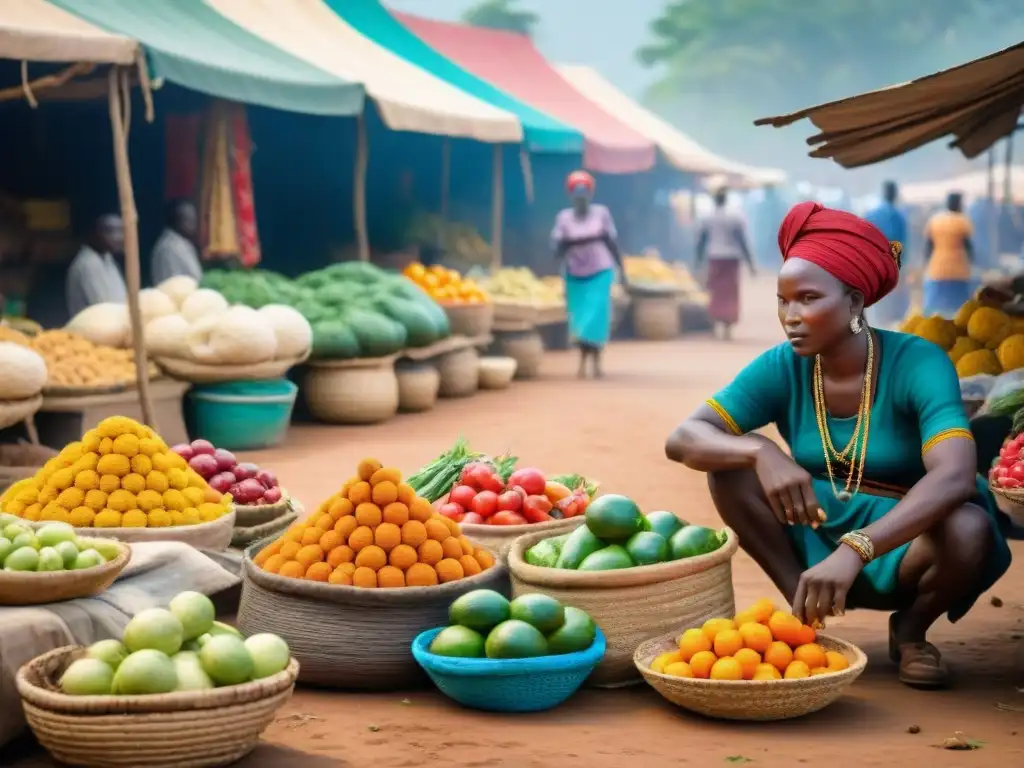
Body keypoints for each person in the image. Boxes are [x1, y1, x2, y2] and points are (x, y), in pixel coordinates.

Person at [665, 201, 1011, 689]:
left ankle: (911, 630)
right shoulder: (782, 365)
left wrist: (856, 549)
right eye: (784, 300)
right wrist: (760, 451)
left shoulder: (919, 362)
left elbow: (954, 475)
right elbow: (683, 437)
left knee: (969, 528)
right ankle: (802, 617)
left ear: (853, 302)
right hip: (817, 521)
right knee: (728, 468)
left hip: (909, 533)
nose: (792, 316)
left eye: (808, 298)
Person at [552, 170, 625, 379]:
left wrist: (622, 271)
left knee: (597, 319)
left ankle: (597, 362)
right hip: (575, 274)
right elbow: (558, 247)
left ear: (591, 195)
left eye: (585, 193)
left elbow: (611, 243)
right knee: (580, 320)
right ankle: (583, 362)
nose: (581, 198)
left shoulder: (601, 214)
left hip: (600, 272)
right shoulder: (564, 218)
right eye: (577, 194)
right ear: (571, 196)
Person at [695, 186, 755, 340]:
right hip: (731, 258)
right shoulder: (735, 216)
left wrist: (698, 260)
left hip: (714, 257)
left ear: (715, 199)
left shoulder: (707, 216)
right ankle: (727, 326)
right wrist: (750, 263)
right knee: (730, 293)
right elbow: (742, 241)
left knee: (715, 291)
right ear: (726, 199)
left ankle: (715, 323)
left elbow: (702, 241)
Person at [864, 181, 909, 327]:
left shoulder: (872, 213)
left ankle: (877, 326)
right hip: (892, 265)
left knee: (877, 300)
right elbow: (902, 244)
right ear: (895, 194)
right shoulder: (899, 216)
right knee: (891, 301)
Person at [922, 192, 974, 318]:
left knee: (932, 308)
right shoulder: (963, 221)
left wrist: (926, 264)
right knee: (960, 309)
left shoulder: (935, 220)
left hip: (937, 269)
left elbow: (928, 247)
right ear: (958, 204)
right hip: (959, 270)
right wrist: (972, 263)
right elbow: (968, 247)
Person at [65, 214, 126, 319]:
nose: (118, 237)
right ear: (94, 234)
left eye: (121, 231)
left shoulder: (107, 258)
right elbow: (104, 309)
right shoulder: (88, 264)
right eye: (109, 231)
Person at [151, 199, 202, 285]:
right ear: (176, 220)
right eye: (189, 220)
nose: (194, 225)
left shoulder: (180, 242)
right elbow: (174, 282)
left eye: (194, 220)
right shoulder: (170, 247)